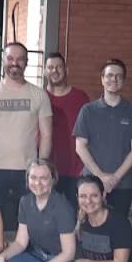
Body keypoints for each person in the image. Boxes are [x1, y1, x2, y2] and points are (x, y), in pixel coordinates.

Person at [0, 42, 53, 231]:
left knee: (26, 224)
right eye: (10, 58)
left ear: (27, 62)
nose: (14, 63)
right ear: (3, 61)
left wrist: (41, 166)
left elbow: (47, 134)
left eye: (20, 59)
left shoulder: (39, 95)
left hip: (28, 171)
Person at [74, 59, 132, 218]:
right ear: (102, 79)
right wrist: (100, 176)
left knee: (118, 225)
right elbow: (80, 147)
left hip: (122, 184)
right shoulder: (88, 110)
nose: (114, 79)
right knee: (88, 226)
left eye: (119, 76)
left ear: (124, 81)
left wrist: (114, 178)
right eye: (110, 75)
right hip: (91, 183)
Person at [45, 52, 90, 208]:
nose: (55, 71)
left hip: (75, 170)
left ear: (66, 70)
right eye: (50, 67)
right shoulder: (39, 97)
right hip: (47, 170)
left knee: (73, 215)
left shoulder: (80, 97)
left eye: (59, 67)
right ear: (45, 71)